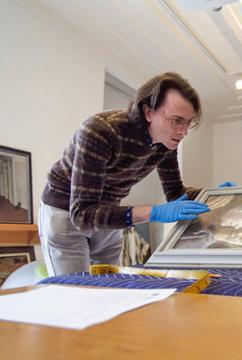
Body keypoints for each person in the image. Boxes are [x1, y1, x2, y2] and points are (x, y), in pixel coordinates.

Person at [39, 72, 228, 275]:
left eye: (188, 122)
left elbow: (175, 193)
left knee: (109, 285)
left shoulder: (166, 144)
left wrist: (212, 196)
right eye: (176, 121)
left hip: (107, 210)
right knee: (73, 291)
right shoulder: (101, 131)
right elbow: (82, 214)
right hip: (66, 210)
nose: (183, 132)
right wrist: (153, 212)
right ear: (148, 112)